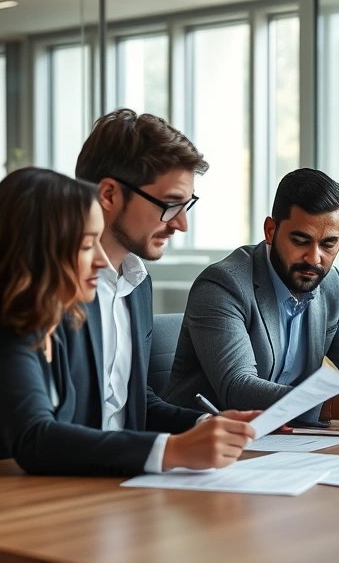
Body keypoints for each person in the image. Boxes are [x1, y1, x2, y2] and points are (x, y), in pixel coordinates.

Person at [0, 168, 256, 474]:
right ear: (36, 251)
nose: (100, 260)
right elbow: (34, 437)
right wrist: (172, 450)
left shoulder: (48, 318)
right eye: (85, 245)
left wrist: (203, 427)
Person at [162, 168, 339, 424]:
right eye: (301, 241)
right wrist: (327, 406)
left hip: (289, 442)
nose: (315, 258)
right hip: (203, 442)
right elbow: (237, 388)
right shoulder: (223, 285)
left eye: (328, 244)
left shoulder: (330, 285)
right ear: (271, 230)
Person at [67, 108, 221, 445]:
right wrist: (168, 451)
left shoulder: (137, 283)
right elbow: (47, 428)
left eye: (186, 205)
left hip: (123, 478)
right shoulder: (55, 284)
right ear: (108, 195)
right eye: (169, 204)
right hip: (64, 481)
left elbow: (131, 404)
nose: (181, 224)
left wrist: (210, 423)